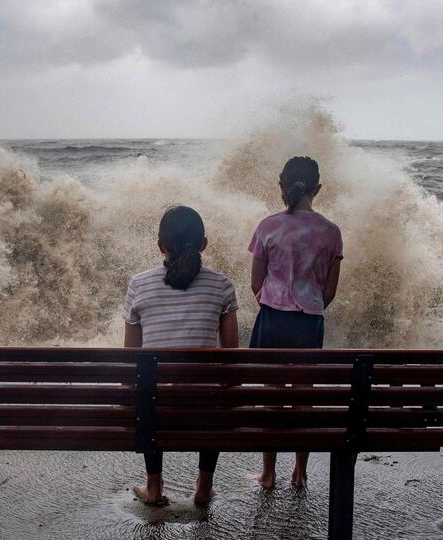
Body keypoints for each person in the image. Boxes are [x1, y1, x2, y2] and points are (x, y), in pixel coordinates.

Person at [122, 205, 239, 506]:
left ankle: (153, 486)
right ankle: (204, 488)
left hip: (155, 408)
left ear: (161, 246)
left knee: (146, 385)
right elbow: (231, 358)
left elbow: (131, 359)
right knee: (216, 391)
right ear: (204, 244)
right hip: (204, 409)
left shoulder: (139, 285)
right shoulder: (222, 286)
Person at [247, 156, 343, 489]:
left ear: (281, 186)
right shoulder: (331, 232)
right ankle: (300, 472)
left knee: (271, 398)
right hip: (309, 321)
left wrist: (276, 303)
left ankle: (268, 473)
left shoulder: (267, 226)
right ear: (318, 188)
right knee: (304, 398)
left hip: (272, 318)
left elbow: (256, 284)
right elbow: (329, 291)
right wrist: (309, 306)